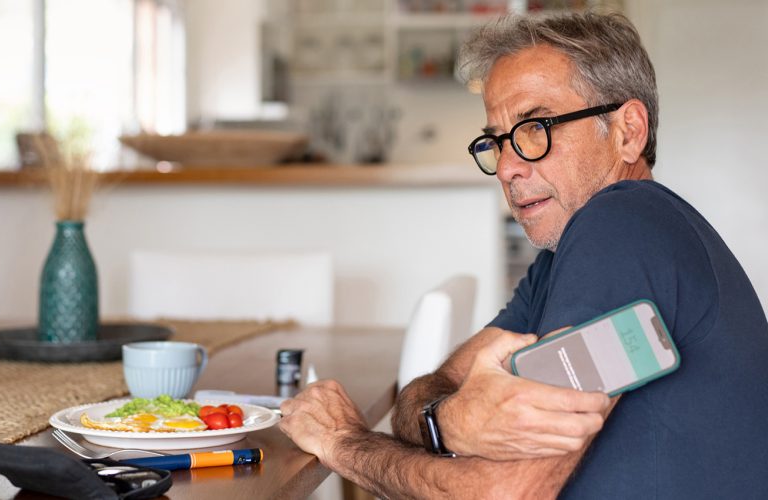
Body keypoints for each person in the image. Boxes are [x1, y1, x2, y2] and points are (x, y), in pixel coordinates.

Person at [279, 11, 768, 498]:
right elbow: (435, 384)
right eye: (497, 140)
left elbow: (505, 492)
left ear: (628, 131)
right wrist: (447, 418)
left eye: (537, 127)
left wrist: (345, 444)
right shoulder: (567, 253)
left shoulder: (621, 224)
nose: (509, 166)